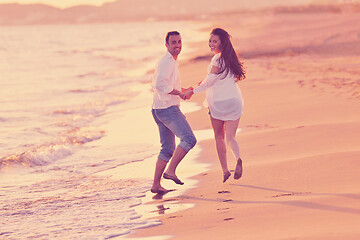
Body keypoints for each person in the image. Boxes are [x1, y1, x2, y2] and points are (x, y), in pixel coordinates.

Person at [184, 28, 246, 183]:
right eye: (210, 40)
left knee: (219, 136)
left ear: (222, 43)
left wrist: (193, 90)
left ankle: (225, 170)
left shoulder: (217, 60)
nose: (211, 43)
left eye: (214, 41)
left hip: (218, 103)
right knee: (231, 137)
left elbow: (211, 80)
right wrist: (205, 83)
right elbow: (220, 79)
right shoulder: (231, 59)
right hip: (234, 102)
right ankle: (238, 158)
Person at [151, 31, 197, 194]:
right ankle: (170, 171)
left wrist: (184, 91)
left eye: (179, 42)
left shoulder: (170, 61)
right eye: (173, 43)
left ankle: (156, 185)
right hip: (167, 109)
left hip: (159, 108)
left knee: (167, 149)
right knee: (189, 139)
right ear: (167, 45)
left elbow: (165, 85)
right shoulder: (167, 62)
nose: (177, 45)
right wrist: (179, 94)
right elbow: (159, 84)